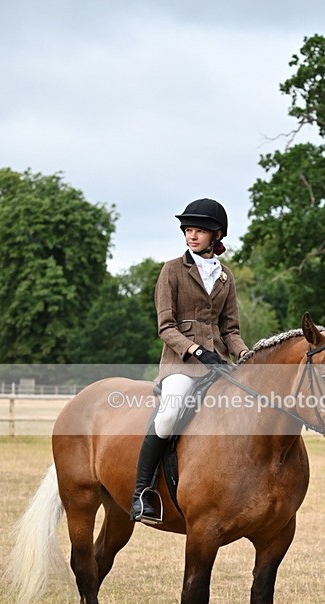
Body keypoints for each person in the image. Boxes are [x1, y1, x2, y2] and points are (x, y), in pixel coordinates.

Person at [130, 198, 250, 522]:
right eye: (188, 230)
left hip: (219, 364)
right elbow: (165, 327)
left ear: (216, 235)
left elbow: (231, 329)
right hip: (181, 364)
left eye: (199, 231)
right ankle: (142, 492)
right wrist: (196, 351)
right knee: (169, 415)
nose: (192, 236)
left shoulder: (226, 277)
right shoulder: (172, 270)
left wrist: (244, 354)